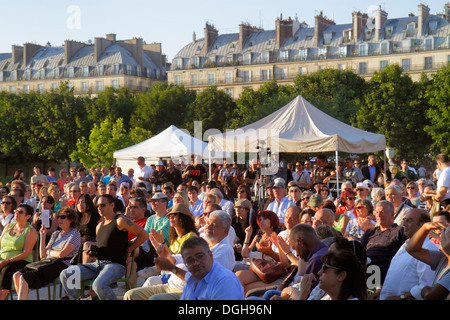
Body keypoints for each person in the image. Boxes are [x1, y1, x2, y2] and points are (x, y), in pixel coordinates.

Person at [59, 194, 148, 300]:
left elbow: (144, 235)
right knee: (66, 274)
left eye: (103, 205)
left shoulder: (120, 221)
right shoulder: (99, 226)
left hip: (116, 265)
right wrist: (93, 251)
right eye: (98, 206)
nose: (99, 208)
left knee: (98, 285)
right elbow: (103, 247)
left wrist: (129, 248)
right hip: (98, 264)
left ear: (112, 205)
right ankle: (79, 298)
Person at [14, 207, 81, 300]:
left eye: (62, 217)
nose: (59, 219)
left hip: (61, 264)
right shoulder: (56, 233)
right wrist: (43, 236)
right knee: (17, 275)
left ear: (71, 219)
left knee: (25, 277)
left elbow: (62, 254)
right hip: (47, 262)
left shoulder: (75, 234)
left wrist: (49, 251)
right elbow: (42, 255)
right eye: (58, 217)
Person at [376, 209, 436, 300]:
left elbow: (426, 285)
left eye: (409, 220)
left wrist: (401, 298)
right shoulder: (404, 245)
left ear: (422, 224)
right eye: (404, 219)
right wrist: (381, 293)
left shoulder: (428, 248)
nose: (404, 224)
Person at [179, 236, 245, 300]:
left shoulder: (224, 280)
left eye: (200, 256)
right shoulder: (192, 279)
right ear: (185, 264)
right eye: (190, 261)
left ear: (210, 255)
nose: (196, 263)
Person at [360, 200, 408, 285]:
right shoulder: (370, 232)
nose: (378, 215)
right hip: (365, 265)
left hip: (383, 269)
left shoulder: (399, 231)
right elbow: (360, 250)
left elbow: (405, 256)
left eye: (382, 212)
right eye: (377, 212)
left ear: (392, 214)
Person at [0, 204, 38, 300]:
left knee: (6, 270)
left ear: (28, 216)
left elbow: (25, 253)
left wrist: (7, 261)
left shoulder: (30, 231)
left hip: (21, 260)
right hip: (3, 258)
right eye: (16, 211)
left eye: (20, 212)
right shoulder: (9, 226)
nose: (16, 213)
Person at [406, 219, 450, 299]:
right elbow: (412, 249)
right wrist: (425, 227)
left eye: (446, 234)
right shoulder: (443, 258)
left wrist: (423, 289)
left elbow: (430, 295)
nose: (441, 236)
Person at [76, 193, 101, 264]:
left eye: (83, 202)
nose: (80, 205)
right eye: (78, 203)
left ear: (88, 203)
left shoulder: (96, 216)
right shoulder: (77, 218)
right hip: (77, 246)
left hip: (91, 246)